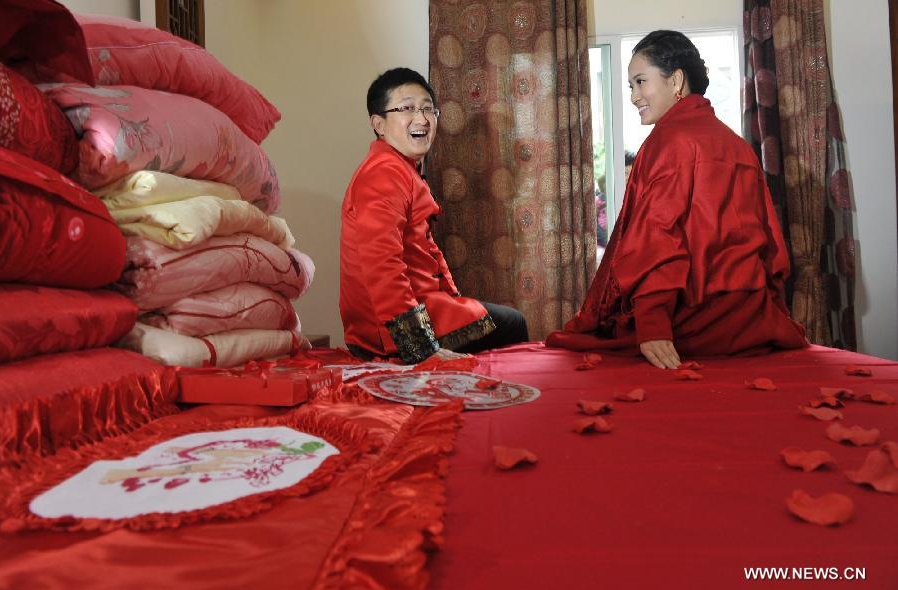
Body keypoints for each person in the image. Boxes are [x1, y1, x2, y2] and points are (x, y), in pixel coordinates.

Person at [547, 30, 807, 369]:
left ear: (677, 81)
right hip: (751, 321)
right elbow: (769, 247)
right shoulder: (738, 146)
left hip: (692, 324)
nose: (634, 96)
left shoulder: (667, 142)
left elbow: (657, 239)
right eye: (631, 86)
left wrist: (653, 324)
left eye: (641, 82)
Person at [340, 67, 529, 364]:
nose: (422, 119)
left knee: (504, 320)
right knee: (514, 324)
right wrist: (420, 347)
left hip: (425, 306)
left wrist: (454, 300)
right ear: (378, 123)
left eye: (428, 109)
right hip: (391, 332)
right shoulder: (383, 174)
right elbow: (382, 265)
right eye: (407, 109)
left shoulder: (398, 168)